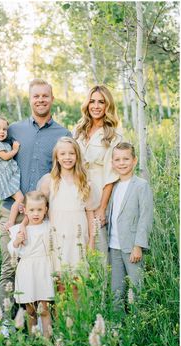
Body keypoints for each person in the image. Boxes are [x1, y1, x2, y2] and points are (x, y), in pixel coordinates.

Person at [0, 79, 71, 315]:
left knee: (46, 266)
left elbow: (66, 172)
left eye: (45, 96)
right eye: (36, 96)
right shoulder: (14, 130)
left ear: (52, 99)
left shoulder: (63, 134)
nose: (41, 100)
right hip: (12, 210)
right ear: (30, 99)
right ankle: (9, 321)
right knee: (10, 267)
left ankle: (45, 322)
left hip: (44, 215)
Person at [38, 137, 100, 287]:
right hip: (57, 236)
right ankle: (61, 310)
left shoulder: (85, 183)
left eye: (71, 153)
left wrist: (92, 240)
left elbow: (90, 213)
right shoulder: (49, 181)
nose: (67, 157)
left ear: (77, 156)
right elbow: (40, 210)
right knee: (58, 277)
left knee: (78, 279)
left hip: (78, 236)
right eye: (63, 154)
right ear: (57, 158)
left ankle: (77, 310)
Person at [74, 85, 123, 265]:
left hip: (100, 192)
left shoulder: (113, 135)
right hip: (78, 190)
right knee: (80, 238)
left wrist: (102, 207)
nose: (95, 106)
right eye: (92, 101)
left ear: (107, 106)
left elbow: (111, 175)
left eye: (101, 102)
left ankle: (102, 288)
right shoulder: (79, 130)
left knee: (99, 240)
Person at [108, 142, 153, 307]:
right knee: (116, 291)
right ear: (112, 163)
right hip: (114, 247)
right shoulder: (113, 186)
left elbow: (145, 217)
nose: (122, 163)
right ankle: (117, 329)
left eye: (126, 159)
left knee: (136, 288)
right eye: (117, 159)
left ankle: (137, 325)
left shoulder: (141, 185)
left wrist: (139, 245)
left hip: (132, 246)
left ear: (134, 161)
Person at [8, 191, 54, 338]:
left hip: (44, 269)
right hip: (27, 270)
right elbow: (13, 252)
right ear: (25, 210)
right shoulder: (20, 230)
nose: (36, 213)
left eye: (40, 209)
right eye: (32, 210)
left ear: (46, 209)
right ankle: (32, 339)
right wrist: (16, 241)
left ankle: (47, 341)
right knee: (30, 309)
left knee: (44, 308)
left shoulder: (49, 226)